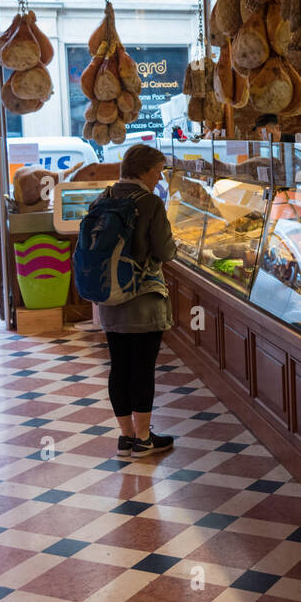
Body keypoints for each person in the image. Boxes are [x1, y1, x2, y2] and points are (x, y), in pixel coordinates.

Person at [95, 144, 177, 458]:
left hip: (109, 299)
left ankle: (126, 437)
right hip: (142, 300)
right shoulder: (150, 203)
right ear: (144, 170)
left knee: (120, 367)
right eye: (158, 170)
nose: (159, 177)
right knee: (142, 368)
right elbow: (165, 251)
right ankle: (144, 439)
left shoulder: (104, 197)